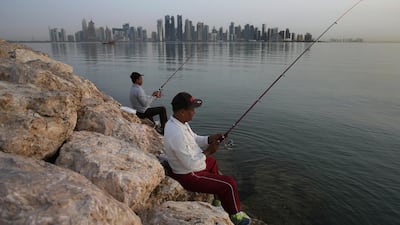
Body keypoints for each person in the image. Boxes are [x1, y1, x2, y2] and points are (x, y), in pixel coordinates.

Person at [163, 92, 251, 225]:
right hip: (187, 175)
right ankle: (235, 216)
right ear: (182, 112)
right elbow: (190, 164)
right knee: (229, 183)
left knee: (212, 162)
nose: (194, 112)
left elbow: (195, 139)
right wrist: (209, 151)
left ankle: (217, 201)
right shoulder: (176, 133)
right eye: (192, 109)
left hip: (189, 167)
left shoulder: (180, 123)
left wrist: (211, 138)